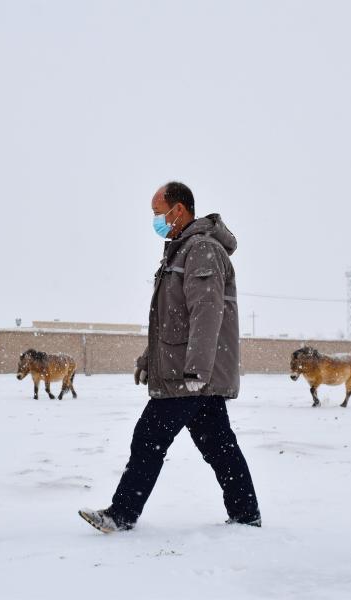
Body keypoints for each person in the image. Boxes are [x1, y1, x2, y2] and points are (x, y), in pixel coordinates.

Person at [79, 181, 261, 533]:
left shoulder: (202, 250)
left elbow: (206, 313)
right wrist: (150, 358)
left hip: (188, 375)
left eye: (158, 212)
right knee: (220, 446)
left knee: (149, 437)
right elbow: (171, 320)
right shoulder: (182, 251)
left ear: (179, 210)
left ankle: (122, 514)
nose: (156, 220)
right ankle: (246, 512)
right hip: (191, 372)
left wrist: (196, 370)